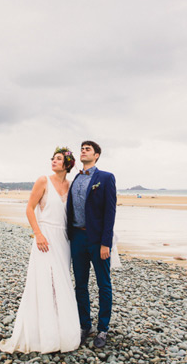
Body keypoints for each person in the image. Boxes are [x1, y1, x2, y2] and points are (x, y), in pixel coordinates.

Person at [0, 147, 80, 354]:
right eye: (53, 158)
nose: (54, 161)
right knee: (43, 281)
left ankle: (62, 331)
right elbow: (29, 208)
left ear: (68, 164)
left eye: (59, 159)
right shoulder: (43, 180)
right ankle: (41, 335)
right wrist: (38, 234)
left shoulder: (71, 186)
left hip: (63, 240)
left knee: (61, 282)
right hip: (44, 236)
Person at [67, 140, 117, 348]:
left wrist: (106, 243)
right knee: (80, 284)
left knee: (103, 284)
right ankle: (84, 325)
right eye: (82, 149)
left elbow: (110, 211)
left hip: (98, 240)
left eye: (88, 149)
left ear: (96, 155)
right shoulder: (76, 178)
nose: (83, 151)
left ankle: (103, 328)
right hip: (77, 237)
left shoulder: (105, 178)